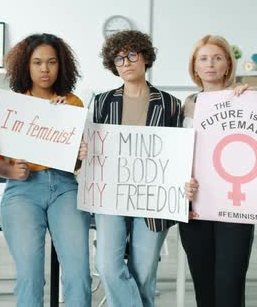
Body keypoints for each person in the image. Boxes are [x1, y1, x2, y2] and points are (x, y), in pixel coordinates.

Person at [89, 30, 197, 307]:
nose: (126, 62)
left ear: (145, 57)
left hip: (154, 199)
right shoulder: (102, 102)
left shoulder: (169, 104)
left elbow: (178, 153)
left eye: (131, 55)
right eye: (119, 58)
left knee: (144, 273)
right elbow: (94, 146)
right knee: (108, 266)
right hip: (111, 195)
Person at [0, 33, 91, 307]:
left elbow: (77, 162)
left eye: (52, 62)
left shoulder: (73, 103)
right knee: (29, 275)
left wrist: (80, 154)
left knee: (78, 271)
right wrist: (10, 171)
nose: (45, 69)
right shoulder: (13, 105)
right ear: (26, 66)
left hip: (65, 188)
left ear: (61, 65)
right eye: (37, 62)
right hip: (22, 190)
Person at [179, 34, 252, 307]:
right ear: (195, 67)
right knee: (204, 285)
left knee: (230, 284)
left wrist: (253, 100)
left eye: (217, 58)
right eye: (203, 58)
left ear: (227, 66)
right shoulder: (183, 106)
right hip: (195, 207)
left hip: (236, 206)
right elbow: (179, 157)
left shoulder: (245, 99)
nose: (210, 64)